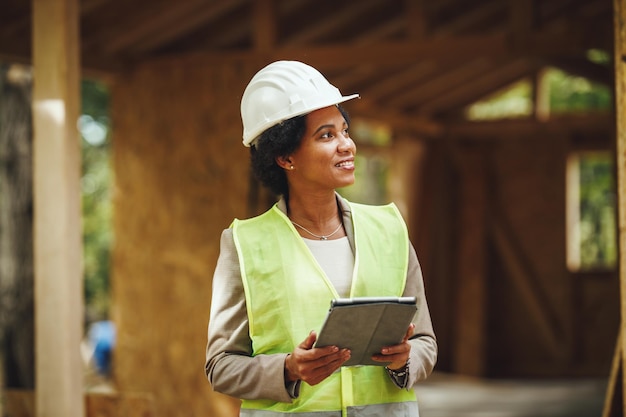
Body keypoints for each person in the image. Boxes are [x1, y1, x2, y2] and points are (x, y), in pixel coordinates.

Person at [205, 60, 437, 416]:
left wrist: (405, 360)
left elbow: (425, 341)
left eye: (345, 130)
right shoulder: (244, 245)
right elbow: (221, 366)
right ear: (285, 157)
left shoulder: (389, 229)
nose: (347, 145)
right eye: (326, 135)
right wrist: (288, 369)